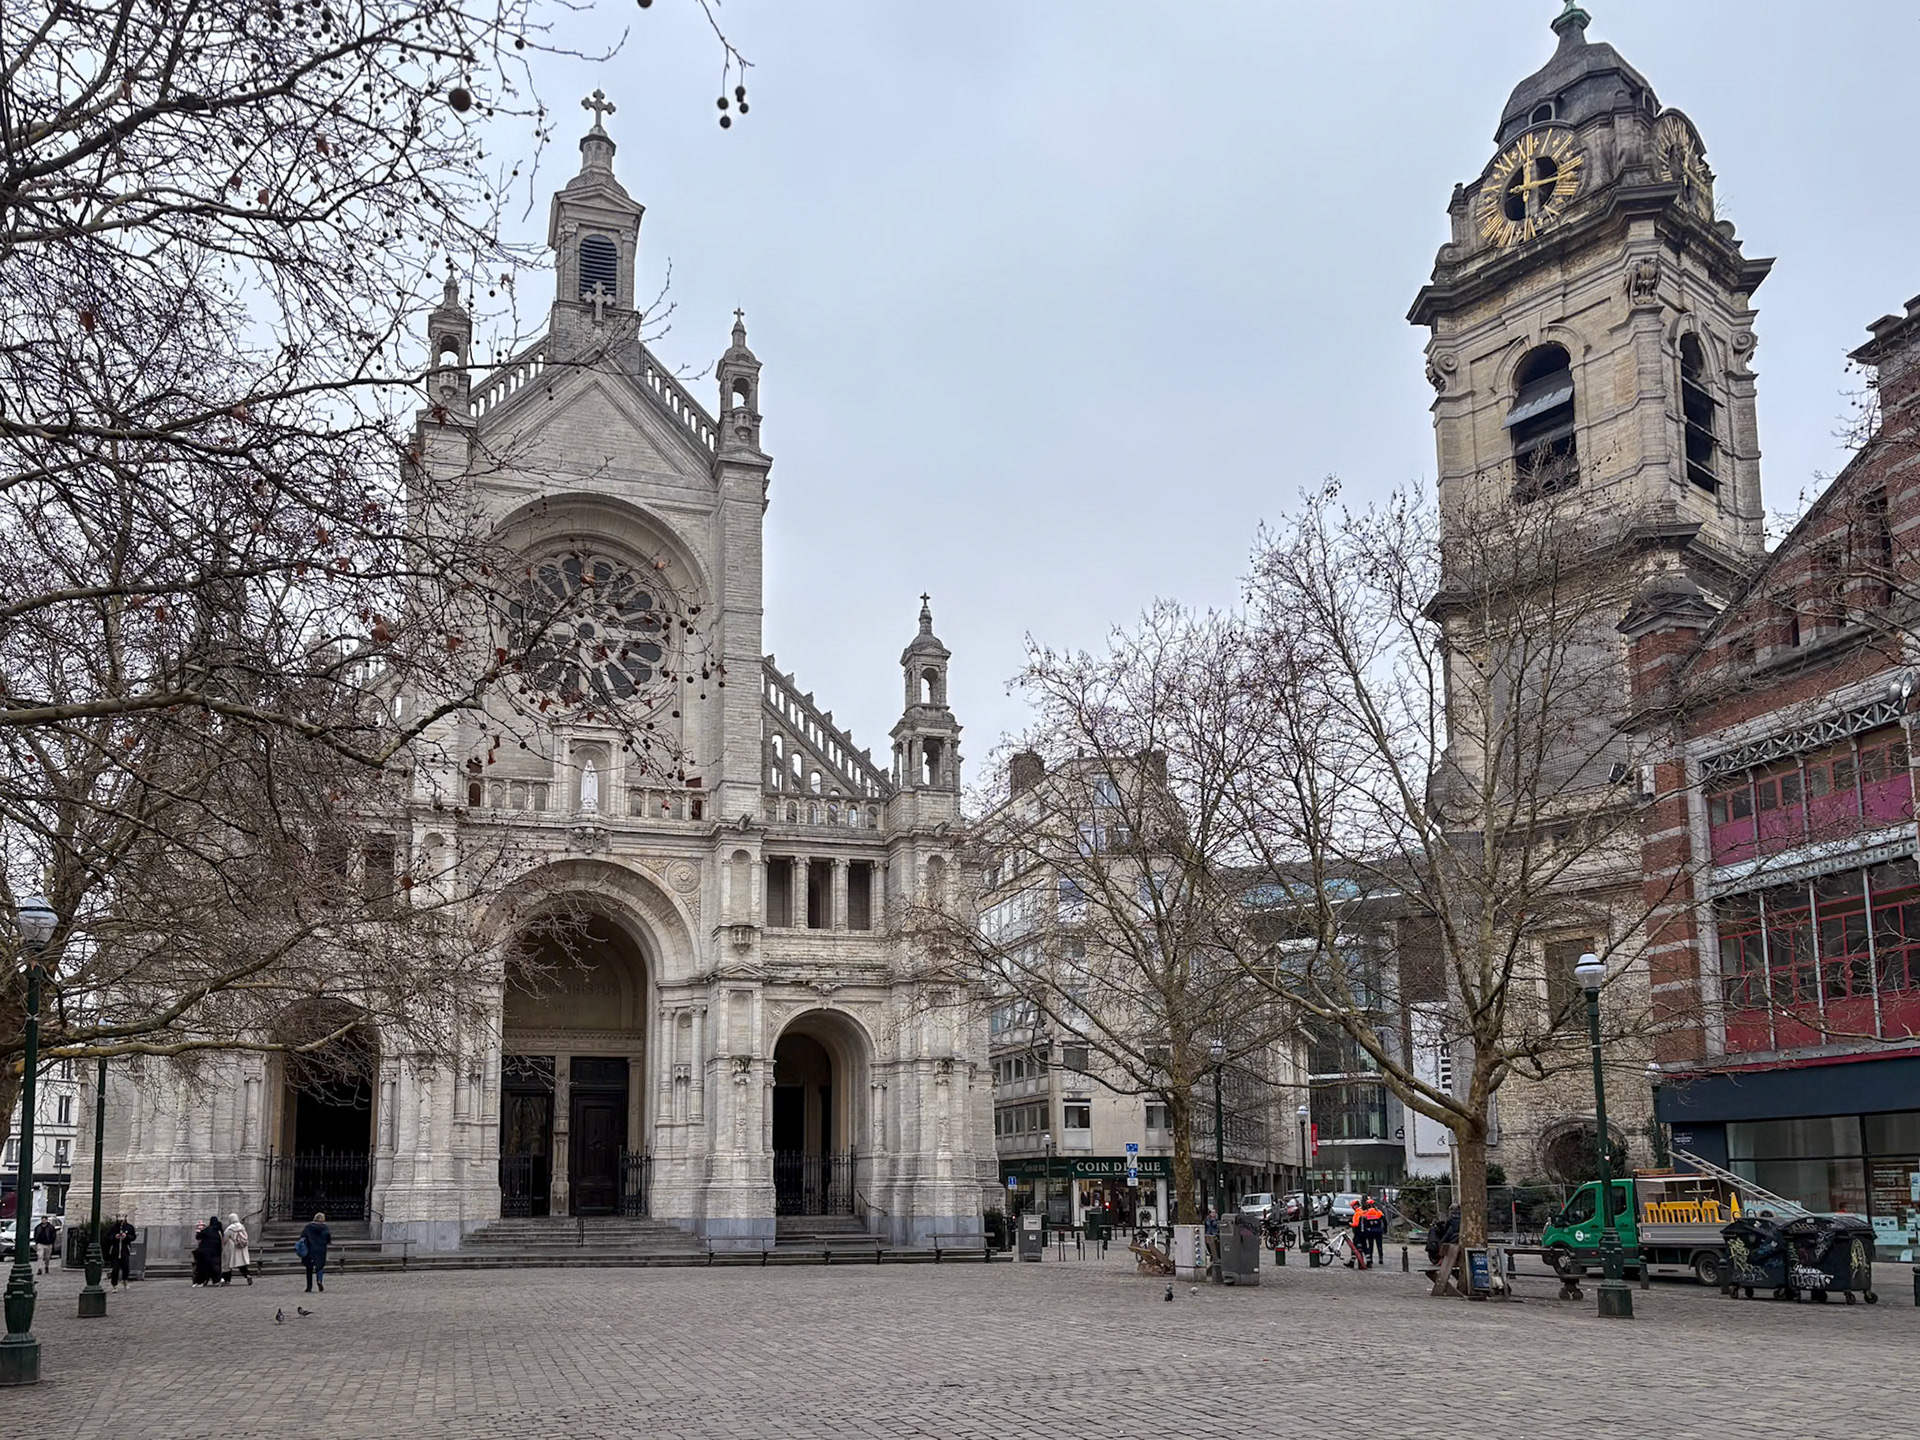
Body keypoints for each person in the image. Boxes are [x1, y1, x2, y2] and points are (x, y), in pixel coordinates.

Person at [300, 1211, 332, 1292]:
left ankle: (309, 1286)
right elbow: (328, 1238)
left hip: (310, 1248)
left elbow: (302, 1236)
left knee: (309, 1268)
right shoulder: (325, 1227)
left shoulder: (308, 1227)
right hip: (321, 1249)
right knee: (320, 1266)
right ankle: (319, 1280)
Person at [105, 1215, 138, 1288]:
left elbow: (133, 1237)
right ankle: (114, 1284)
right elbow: (108, 1237)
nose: (121, 1221)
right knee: (115, 1268)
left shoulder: (129, 1227)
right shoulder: (113, 1228)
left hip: (125, 1250)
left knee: (125, 1267)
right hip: (115, 1251)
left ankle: (125, 1280)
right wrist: (115, 1237)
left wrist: (126, 1236)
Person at [193, 1214, 223, 1286]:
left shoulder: (207, 1230)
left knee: (203, 1267)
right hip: (216, 1253)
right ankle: (216, 1280)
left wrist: (198, 1232)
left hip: (205, 1252)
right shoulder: (219, 1232)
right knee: (215, 1267)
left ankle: (201, 1281)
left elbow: (198, 1236)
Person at [222, 1212, 252, 1286]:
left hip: (234, 1248)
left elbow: (224, 1239)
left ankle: (227, 1280)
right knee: (242, 1264)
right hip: (243, 1248)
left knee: (228, 1264)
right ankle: (247, 1275)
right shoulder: (242, 1227)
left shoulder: (230, 1228)